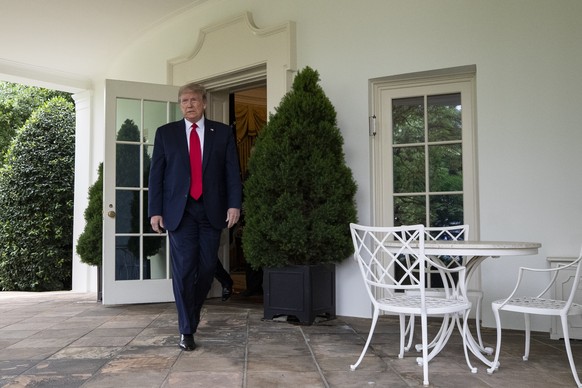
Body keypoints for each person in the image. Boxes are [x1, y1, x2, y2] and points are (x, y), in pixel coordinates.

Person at [148, 83, 242, 351]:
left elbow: (231, 173)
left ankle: (192, 311)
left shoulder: (222, 133)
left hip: (212, 210)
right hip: (180, 213)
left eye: (194, 100)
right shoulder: (166, 134)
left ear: (204, 103)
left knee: (207, 268)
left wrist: (234, 205)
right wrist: (155, 211)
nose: (188, 104)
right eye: (184, 100)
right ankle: (186, 329)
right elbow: (156, 175)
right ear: (180, 104)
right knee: (184, 269)